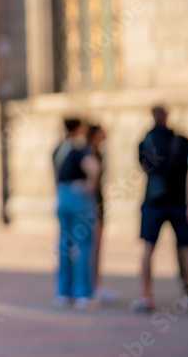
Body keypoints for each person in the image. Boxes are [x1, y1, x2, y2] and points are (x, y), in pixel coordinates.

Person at [131, 106, 188, 312]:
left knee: (148, 249)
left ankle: (145, 295)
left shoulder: (145, 142)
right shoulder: (183, 141)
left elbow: (143, 167)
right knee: (187, 249)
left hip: (154, 200)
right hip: (179, 201)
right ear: (166, 116)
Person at [52, 118, 100, 309]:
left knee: (64, 245)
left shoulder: (58, 149)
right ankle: (84, 294)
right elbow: (94, 169)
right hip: (78, 196)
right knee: (84, 246)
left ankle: (64, 292)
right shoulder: (80, 148)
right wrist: (90, 187)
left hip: (62, 196)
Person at [85, 123, 118, 304]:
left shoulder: (96, 151)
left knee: (94, 247)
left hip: (96, 204)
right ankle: (91, 285)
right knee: (91, 247)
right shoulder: (89, 152)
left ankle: (94, 284)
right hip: (92, 206)